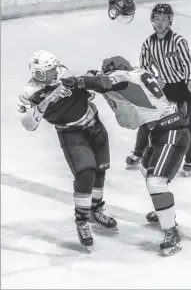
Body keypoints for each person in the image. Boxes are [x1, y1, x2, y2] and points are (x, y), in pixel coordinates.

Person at [88, 56, 191, 256]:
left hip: (172, 133)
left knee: (156, 182)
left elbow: (106, 82)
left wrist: (79, 81)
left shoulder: (124, 76)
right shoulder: (138, 74)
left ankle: (171, 232)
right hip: (162, 131)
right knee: (146, 170)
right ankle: (164, 212)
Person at [17, 50, 119, 251]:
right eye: (51, 70)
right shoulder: (29, 93)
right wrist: (47, 100)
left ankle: (95, 210)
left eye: (56, 67)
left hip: (94, 125)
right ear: (39, 74)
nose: (57, 71)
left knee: (100, 170)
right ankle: (81, 220)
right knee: (85, 173)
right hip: (70, 133)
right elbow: (28, 124)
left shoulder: (62, 73)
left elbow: (83, 90)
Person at [125, 3, 191, 175]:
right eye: (157, 19)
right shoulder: (148, 44)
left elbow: (188, 63)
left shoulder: (178, 41)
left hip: (187, 86)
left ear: (170, 21)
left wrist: (190, 81)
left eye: (164, 19)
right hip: (167, 87)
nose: (160, 22)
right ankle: (138, 153)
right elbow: (144, 67)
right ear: (152, 20)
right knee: (150, 118)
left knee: (190, 124)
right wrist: (153, 79)